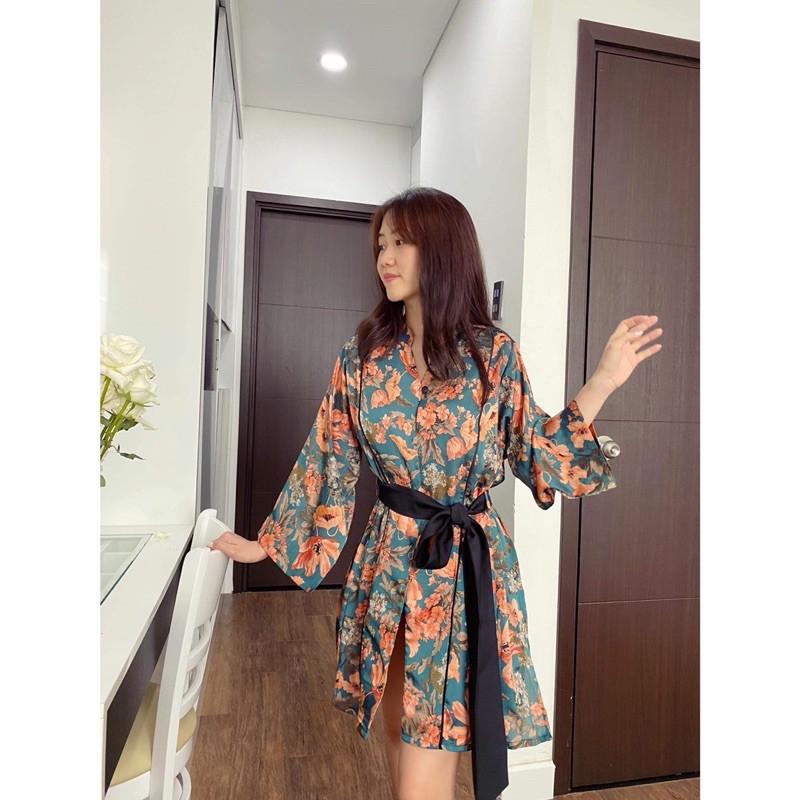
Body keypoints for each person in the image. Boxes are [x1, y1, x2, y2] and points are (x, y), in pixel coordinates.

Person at [210, 187, 663, 800]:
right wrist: (268, 545)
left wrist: (603, 381)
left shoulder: (493, 356)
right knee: (402, 730)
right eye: (381, 244)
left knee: (432, 743)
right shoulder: (365, 355)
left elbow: (536, 453)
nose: (385, 258)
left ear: (444, 250)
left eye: (401, 243)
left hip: (462, 569)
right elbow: (330, 452)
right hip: (390, 561)